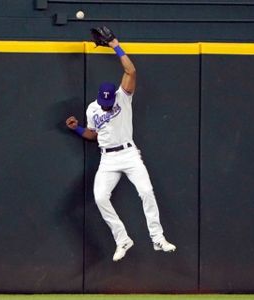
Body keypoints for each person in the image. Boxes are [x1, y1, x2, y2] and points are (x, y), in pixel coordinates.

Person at [66, 36, 176, 262]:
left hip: (129, 153)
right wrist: (77, 129)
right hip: (107, 158)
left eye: (109, 103)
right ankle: (122, 239)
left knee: (146, 191)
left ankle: (157, 237)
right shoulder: (93, 108)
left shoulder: (122, 97)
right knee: (99, 197)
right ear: (99, 99)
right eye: (104, 103)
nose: (106, 106)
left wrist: (115, 45)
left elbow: (131, 71)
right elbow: (93, 135)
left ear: (113, 96)